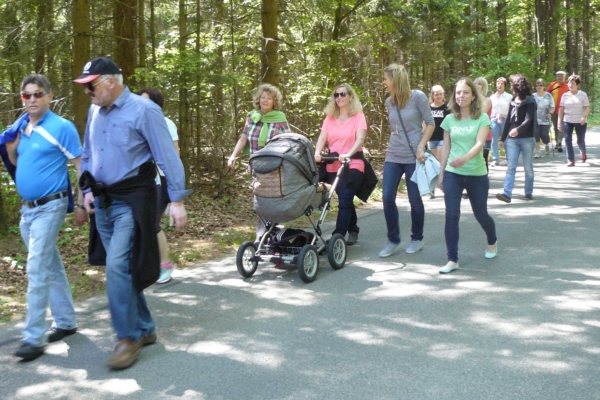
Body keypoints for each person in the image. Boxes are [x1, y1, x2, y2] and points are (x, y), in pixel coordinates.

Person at [74, 57, 191, 369]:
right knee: (121, 268)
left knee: (116, 267)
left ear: (111, 81)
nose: (87, 92)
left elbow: (167, 158)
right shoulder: (94, 110)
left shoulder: (145, 110)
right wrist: (86, 192)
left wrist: (177, 200)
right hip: (103, 202)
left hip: (132, 201)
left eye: (91, 85)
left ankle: (127, 338)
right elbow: (89, 154)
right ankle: (145, 328)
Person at [4, 74, 86, 361]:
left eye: (38, 94)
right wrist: (11, 150)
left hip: (51, 206)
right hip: (28, 209)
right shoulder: (20, 128)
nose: (32, 99)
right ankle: (66, 322)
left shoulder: (61, 127)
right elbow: (20, 164)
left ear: (50, 96)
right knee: (50, 265)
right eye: (26, 95)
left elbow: (80, 164)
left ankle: (33, 337)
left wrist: (83, 202)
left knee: (36, 268)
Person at [437, 78, 497, 274]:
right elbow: (446, 148)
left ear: (473, 96)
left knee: (480, 214)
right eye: (458, 92)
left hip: (476, 173)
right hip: (453, 174)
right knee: (451, 215)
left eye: (465, 92)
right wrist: (441, 174)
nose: (461, 96)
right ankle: (452, 259)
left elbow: (480, 143)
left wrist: (464, 158)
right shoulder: (449, 119)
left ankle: (492, 241)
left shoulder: (482, 118)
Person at [379, 63, 435, 258]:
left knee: (414, 200)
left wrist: (421, 146)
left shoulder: (418, 97)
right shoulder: (389, 102)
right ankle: (393, 239)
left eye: (386, 79)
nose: (384, 82)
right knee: (387, 197)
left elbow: (430, 123)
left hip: (414, 156)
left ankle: (417, 238)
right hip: (393, 154)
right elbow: (395, 128)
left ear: (395, 80)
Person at [228, 84, 291, 239]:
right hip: (256, 166)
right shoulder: (252, 117)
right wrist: (233, 155)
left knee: (271, 200)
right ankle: (267, 234)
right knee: (260, 200)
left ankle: (265, 235)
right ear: (258, 100)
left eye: (269, 98)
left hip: (274, 167)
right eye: (263, 97)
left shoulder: (280, 118)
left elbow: (289, 141)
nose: (265, 100)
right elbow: (243, 139)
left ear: (274, 101)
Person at [314, 84, 367, 245]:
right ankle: (353, 229)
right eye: (336, 95)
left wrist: (348, 154)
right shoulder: (330, 118)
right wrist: (317, 153)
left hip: (353, 163)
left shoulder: (358, 116)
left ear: (350, 96)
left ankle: (337, 236)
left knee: (344, 199)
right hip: (333, 163)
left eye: (343, 94)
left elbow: (360, 139)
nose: (339, 98)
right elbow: (322, 137)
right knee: (346, 199)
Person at [137, 88, 180, 284]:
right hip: (143, 180)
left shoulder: (166, 123)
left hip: (161, 179)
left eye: (146, 101)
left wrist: (174, 186)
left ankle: (165, 265)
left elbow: (174, 154)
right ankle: (149, 264)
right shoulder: (138, 123)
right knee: (142, 224)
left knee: (152, 223)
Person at [496, 74, 536, 203]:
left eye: (513, 85)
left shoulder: (530, 101)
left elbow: (528, 120)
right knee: (511, 167)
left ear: (518, 87)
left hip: (527, 139)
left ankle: (528, 192)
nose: (511, 88)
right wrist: (503, 139)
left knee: (528, 168)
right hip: (512, 140)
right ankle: (507, 194)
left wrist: (518, 130)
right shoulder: (513, 100)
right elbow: (509, 120)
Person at [558, 74, 590, 166]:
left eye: (572, 83)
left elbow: (587, 108)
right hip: (567, 120)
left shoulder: (582, 95)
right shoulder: (565, 95)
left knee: (580, 140)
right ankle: (570, 160)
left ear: (577, 85)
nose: (570, 85)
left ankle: (583, 152)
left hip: (580, 121)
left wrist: (584, 116)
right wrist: (559, 122)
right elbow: (561, 109)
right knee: (567, 139)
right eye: (569, 83)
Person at [489, 77, 513, 166]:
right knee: (493, 139)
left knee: (506, 139)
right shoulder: (492, 97)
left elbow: (512, 110)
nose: (499, 85)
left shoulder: (509, 97)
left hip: (505, 119)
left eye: (502, 84)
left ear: (505, 86)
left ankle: (509, 158)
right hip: (494, 119)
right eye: (498, 83)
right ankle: (495, 159)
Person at [547, 71, 569, 152]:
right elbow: (547, 95)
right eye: (558, 76)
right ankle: (557, 141)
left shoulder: (567, 86)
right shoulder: (552, 85)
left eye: (562, 76)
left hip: (563, 110)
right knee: (555, 125)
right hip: (553, 109)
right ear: (556, 77)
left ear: (564, 77)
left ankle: (559, 142)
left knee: (561, 126)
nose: (560, 77)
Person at [533, 79, 555, 158]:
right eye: (537, 85)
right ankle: (538, 152)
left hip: (545, 119)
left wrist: (550, 113)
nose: (538, 87)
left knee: (544, 135)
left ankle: (546, 144)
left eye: (540, 85)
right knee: (536, 135)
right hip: (535, 120)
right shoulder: (533, 96)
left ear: (544, 86)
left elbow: (552, 107)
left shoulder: (548, 95)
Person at [474, 77, 493, 170]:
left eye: (479, 84)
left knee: (483, 159)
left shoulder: (487, 100)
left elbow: (481, 114)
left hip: (484, 133)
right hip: (472, 132)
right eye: (475, 83)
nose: (476, 85)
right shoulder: (471, 100)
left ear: (483, 86)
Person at [428, 85, 448, 161]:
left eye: (441, 94)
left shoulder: (447, 108)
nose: (439, 96)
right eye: (436, 94)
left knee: (439, 159)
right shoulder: (428, 108)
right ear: (433, 96)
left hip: (442, 138)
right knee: (434, 161)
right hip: (431, 138)